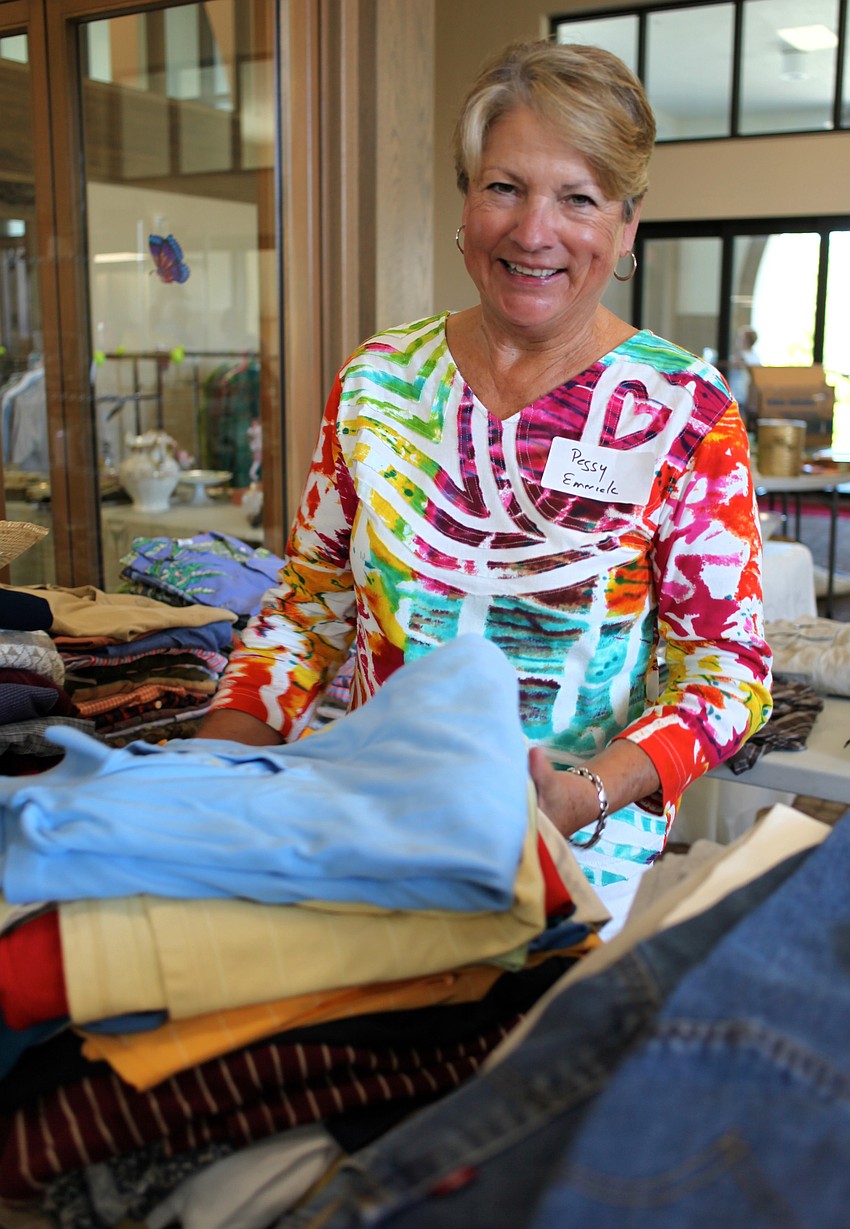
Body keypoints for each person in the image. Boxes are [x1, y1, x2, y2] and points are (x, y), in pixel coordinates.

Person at [199, 40, 772, 928]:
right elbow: (307, 612)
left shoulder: (684, 412)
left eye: (578, 198)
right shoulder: (378, 383)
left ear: (626, 225)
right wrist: (202, 778)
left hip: (575, 859)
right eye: (505, 186)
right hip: (373, 829)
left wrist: (583, 793)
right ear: (466, 201)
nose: (534, 232)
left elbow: (725, 676)